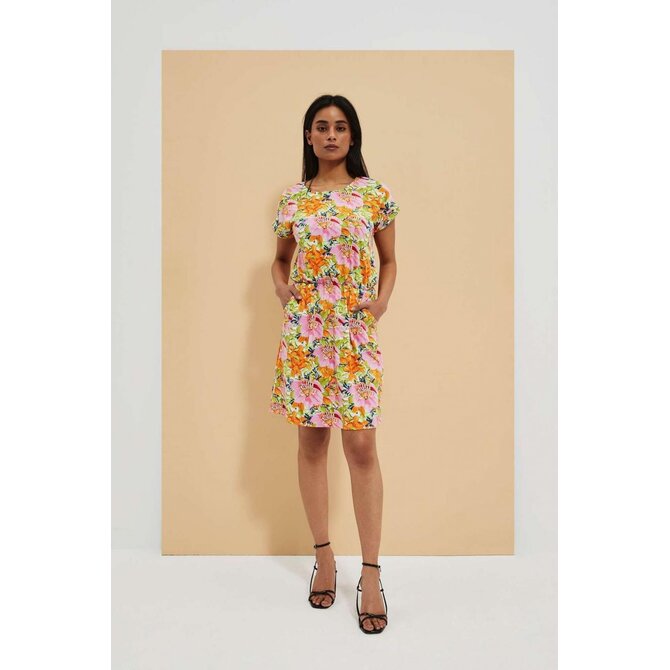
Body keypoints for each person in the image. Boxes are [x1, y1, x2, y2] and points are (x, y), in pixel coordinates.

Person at [269, 95, 399, 634]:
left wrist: (381, 302)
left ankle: (371, 573)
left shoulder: (374, 195)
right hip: (306, 334)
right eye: (321, 126)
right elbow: (280, 260)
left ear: (352, 136)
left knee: (361, 446)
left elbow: (389, 259)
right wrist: (283, 290)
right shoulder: (293, 199)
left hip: (353, 332)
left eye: (340, 127)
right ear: (308, 135)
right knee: (311, 442)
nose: (330, 135)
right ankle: (323, 556)